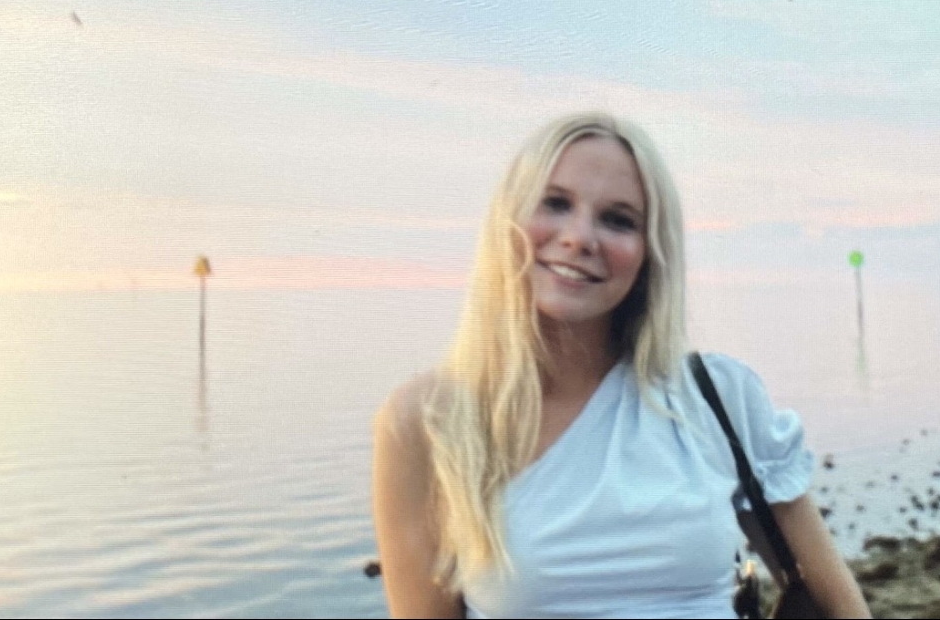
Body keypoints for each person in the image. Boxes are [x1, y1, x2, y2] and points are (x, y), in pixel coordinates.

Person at [372, 112, 871, 619]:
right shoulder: (428, 421)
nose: (579, 237)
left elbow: (839, 605)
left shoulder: (716, 398)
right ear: (508, 219)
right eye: (555, 203)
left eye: (619, 220)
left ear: (650, 253)